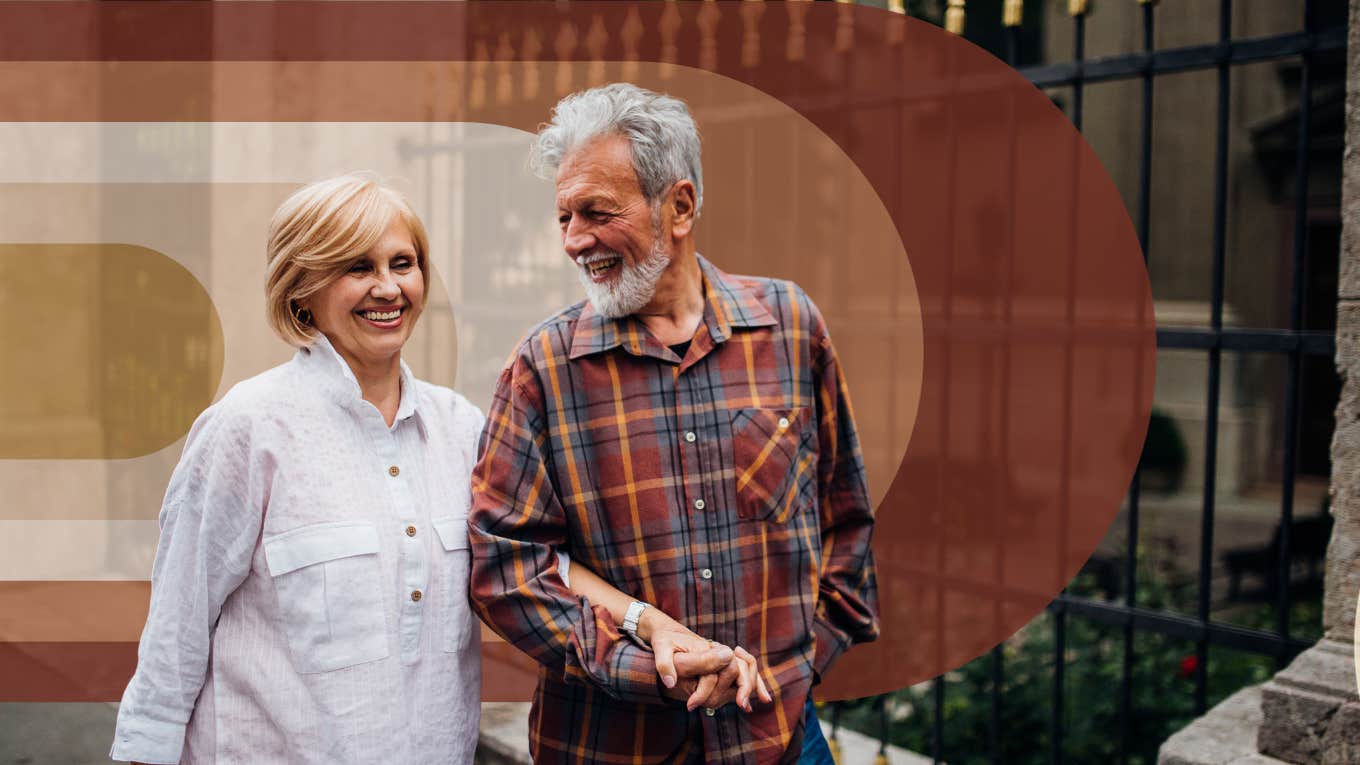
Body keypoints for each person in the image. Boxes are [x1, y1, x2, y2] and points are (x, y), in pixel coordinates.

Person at [469, 83, 879, 765]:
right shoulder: (542, 367)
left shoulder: (789, 326)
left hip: (778, 740)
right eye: (564, 216)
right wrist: (641, 666)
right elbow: (504, 569)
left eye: (596, 213)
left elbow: (847, 520)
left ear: (679, 205)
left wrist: (797, 669)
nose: (575, 240)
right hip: (609, 748)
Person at [109, 174, 486, 764]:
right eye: (357, 267)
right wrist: (144, 751)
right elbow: (179, 620)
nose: (388, 288)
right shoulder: (249, 427)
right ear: (301, 289)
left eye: (403, 262)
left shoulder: (461, 429)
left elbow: (535, 564)